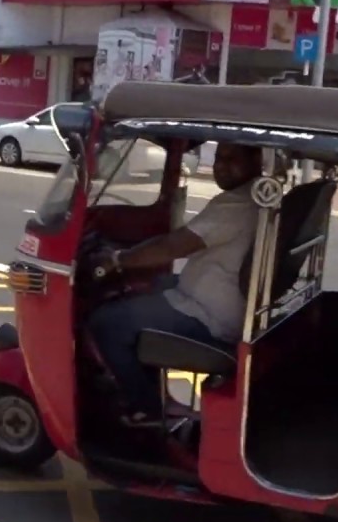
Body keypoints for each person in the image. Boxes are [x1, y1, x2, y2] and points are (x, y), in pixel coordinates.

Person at [87, 143, 264, 425]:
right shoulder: (253, 197)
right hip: (216, 300)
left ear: (257, 161)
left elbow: (175, 246)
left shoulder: (237, 205)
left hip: (208, 318)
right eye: (219, 158)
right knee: (153, 285)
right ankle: (152, 392)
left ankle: (146, 408)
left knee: (106, 323)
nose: (221, 166)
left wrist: (118, 259)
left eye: (232, 159)